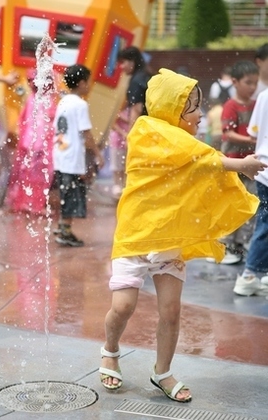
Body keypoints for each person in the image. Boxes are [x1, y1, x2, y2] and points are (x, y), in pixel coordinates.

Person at [99, 68, 266, 401]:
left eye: (198, 106)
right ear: (169, 108)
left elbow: (199, 162)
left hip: (169, 238)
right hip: (136, 236)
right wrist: (238, 166)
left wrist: (236, 165)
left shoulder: (186, 142)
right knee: (123, 306)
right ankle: (110, 349)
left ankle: (162, 371)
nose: (200, 114)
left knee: (171, 312)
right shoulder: (146, 130)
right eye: (192, 107)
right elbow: (197, 159)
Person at [207, 60, 259, 265]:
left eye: (255, 83)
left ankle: (241, 243)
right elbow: (227, 134)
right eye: (249, 83)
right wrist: (251, 140)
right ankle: (224, 244)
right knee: (231, 202)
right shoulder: (230, 106)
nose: (253, 87)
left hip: (251, 164)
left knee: (249, 202)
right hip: (233, 163)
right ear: (235, 82)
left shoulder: (256, 105)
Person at [53, 64, 104, 247]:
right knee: (73, 194)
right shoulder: (80, 104)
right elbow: (86, 133)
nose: (89, 85)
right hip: (72, 158)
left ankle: (62, 227)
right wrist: (98, 154)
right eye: (88, 81)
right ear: (82, 83)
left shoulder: (63, 101)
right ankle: (65, 231)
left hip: (60, 154)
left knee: (66, 193)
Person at [5, 68, 57, 215]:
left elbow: (24, 122)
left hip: (27, 144)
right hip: (38, 146)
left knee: (24, 174)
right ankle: (34, 205)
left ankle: (22, 202)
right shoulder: (46, 100)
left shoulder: (32, 98)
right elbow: (42, 125)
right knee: (39, 177)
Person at [233, 87, 268, 297]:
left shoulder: (264, 95)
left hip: (263, 168)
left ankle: (256, 272)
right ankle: (251, 273)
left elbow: (253, 133)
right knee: (265, 223)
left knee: (264, 220)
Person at [117, 46, 152, 131]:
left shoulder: (136, 81)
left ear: (132, 62)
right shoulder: (147, 76)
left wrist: (131, 136)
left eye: (123, 62)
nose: (121, 66)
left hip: (143, 128)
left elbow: (137, 109)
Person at [109, 104, 129, 198]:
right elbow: (112, 124)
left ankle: (123, 185)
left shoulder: (130, 109)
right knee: (116, 165)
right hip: (117, 141)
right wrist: (123, 133)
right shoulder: (116, 109)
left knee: (125, 165)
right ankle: (117, 185)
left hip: (127, 142)